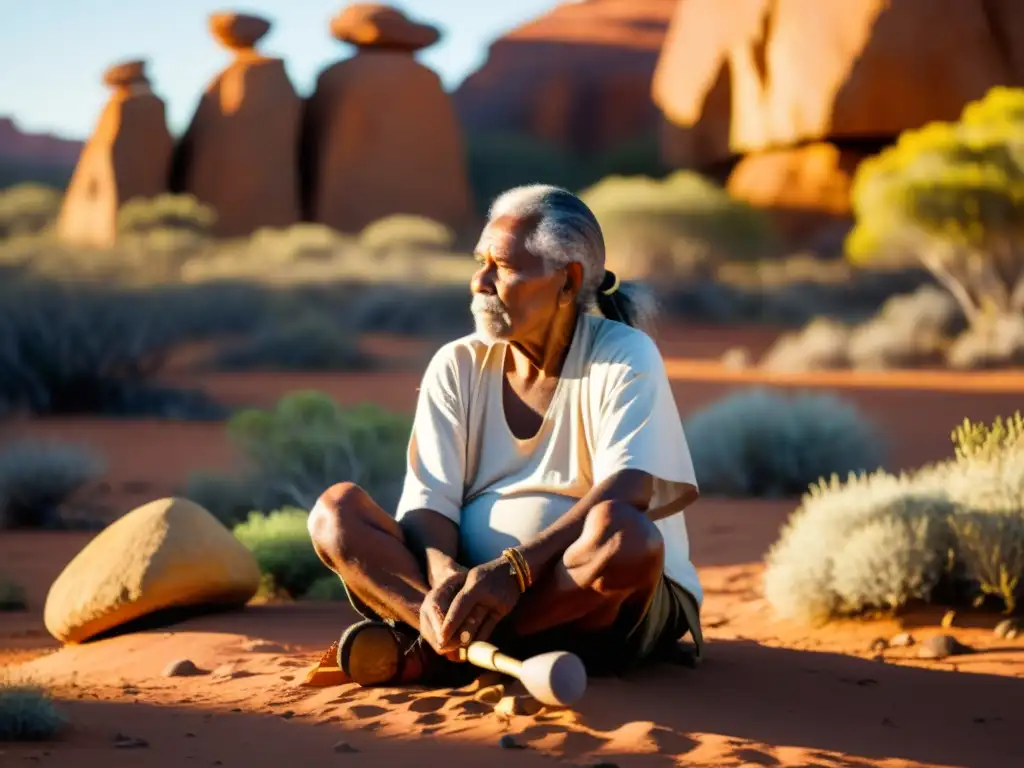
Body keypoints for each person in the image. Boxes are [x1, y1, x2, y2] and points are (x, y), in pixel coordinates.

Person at [307, 184, 703, 688]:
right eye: (480, 262)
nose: (479, 282)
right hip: (472, 590)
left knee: (626, 538)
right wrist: (443, 570)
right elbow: (430, 503)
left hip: (600, 598)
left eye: (505, 268)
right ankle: (454, 635)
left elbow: (629, 492)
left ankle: (441, 651)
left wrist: (514, 570)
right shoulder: (458, 364)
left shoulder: (625, 354)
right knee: (335, 514)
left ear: (568, 281)